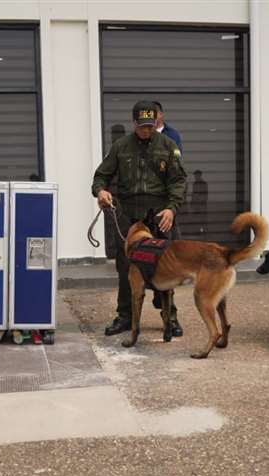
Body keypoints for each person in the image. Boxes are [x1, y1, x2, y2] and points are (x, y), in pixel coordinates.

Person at [92, 100, 187, 337]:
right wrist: (101, 191)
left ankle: (169, 317)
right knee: (126, 266)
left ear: (157, 121)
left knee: (166, 266)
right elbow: (101, 176)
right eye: (142, 126)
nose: (147, 130)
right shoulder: (120, 147)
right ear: (134, 123)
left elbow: (178, 181)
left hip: (159, 213)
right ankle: (125, 316)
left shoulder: (168, 145)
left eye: (151, 125)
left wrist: (172, 209)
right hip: (129, 215)